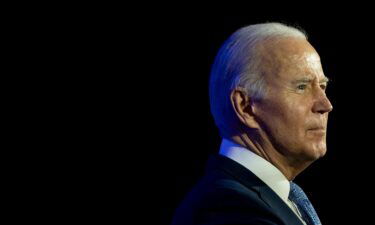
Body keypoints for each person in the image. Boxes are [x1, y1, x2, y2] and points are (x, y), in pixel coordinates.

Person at [171, 22, 333, 225]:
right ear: (245, 106)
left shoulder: (269, 198)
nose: (326, 105)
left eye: (323, 86)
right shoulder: (229, 209)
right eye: (302, 87)